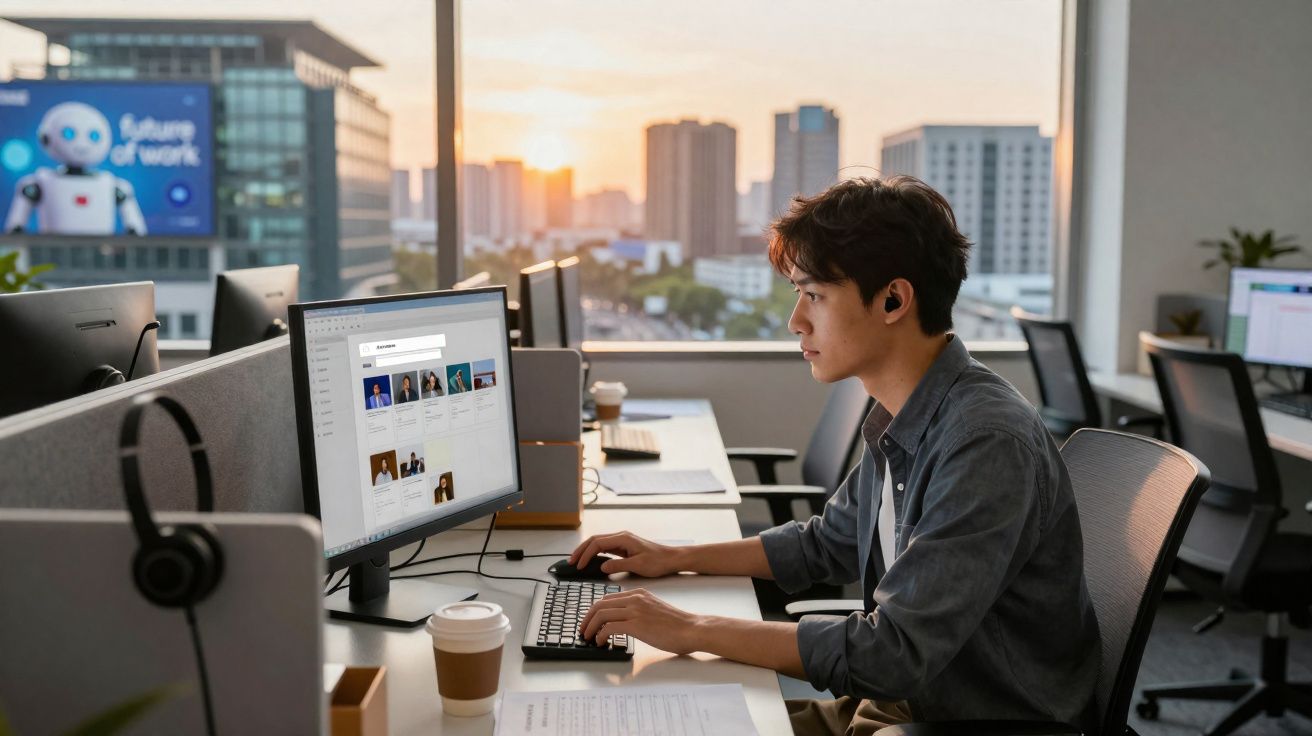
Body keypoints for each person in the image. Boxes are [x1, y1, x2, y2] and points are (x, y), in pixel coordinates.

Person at [570, 176, 1101, 735]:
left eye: (815, 295)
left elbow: (891, 654)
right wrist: (672, 556)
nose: (796, 321)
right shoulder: (907, 413)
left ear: (893, 300)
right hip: (900, 708)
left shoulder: (984, 441)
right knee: (657, 719)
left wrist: (691, 629)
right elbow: (826, 543)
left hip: (960, 721)